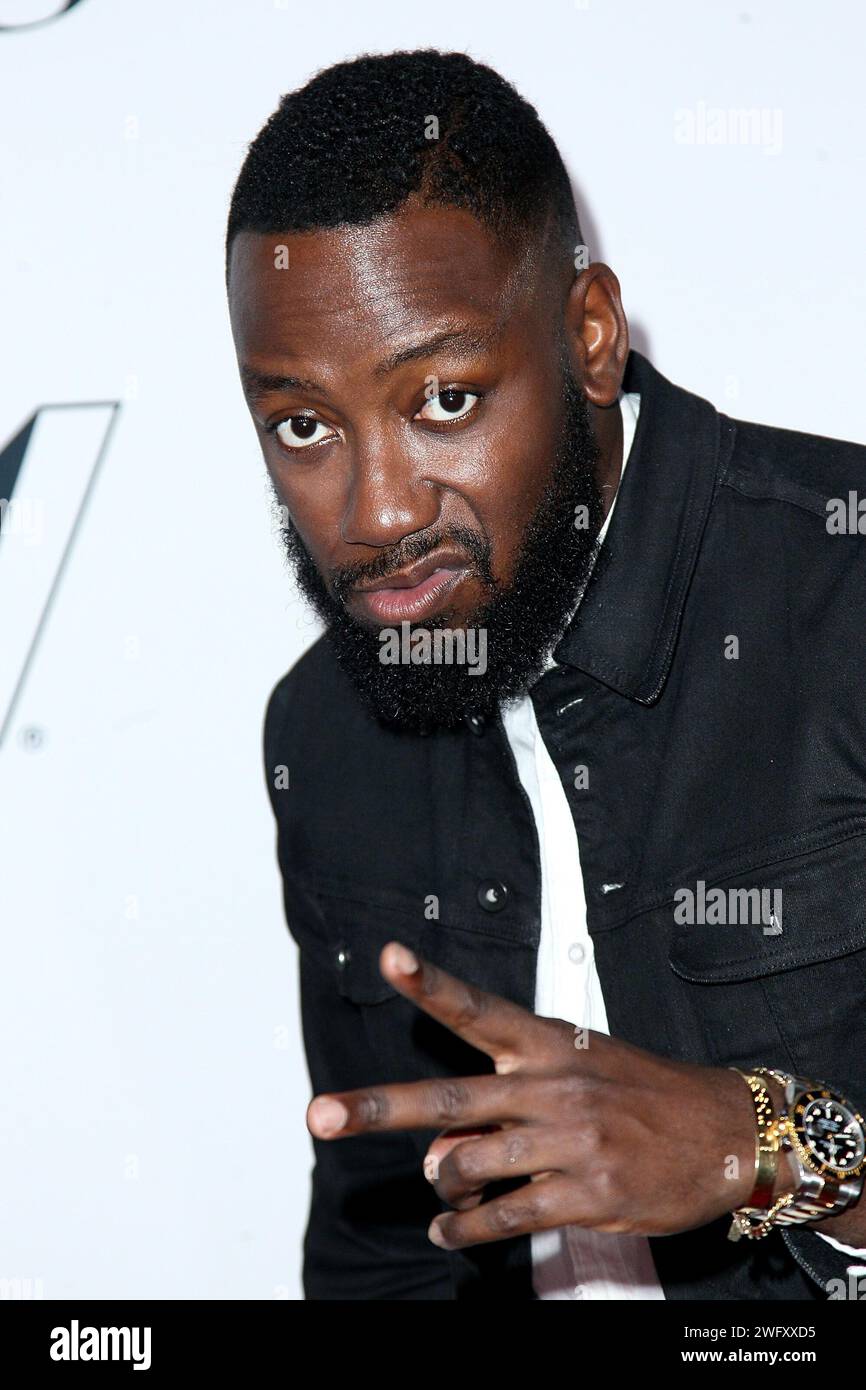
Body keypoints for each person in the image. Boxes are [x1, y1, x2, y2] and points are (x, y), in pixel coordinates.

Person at [225, 49, 866, 1300]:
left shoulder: (838, 600)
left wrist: (771, 1148)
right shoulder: (328, 728)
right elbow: (373, 1255)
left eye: (445, 397)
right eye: (302, 425)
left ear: (587, 336)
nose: (376, 510)